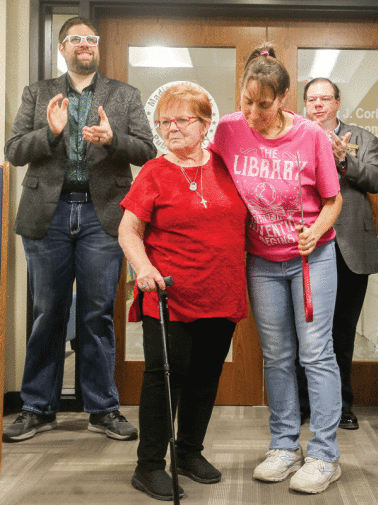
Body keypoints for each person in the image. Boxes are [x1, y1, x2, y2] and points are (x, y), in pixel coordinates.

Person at [4, 16, 156, 442]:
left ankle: (102, 409)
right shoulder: (37, 94)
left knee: (97, 314)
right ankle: (37, 407)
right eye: (76, 39)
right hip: (47, 216)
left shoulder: (123, 95)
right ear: (62, 48)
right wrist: (49, 134)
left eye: (91, 39)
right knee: (47, 312)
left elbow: (147, 150)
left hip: (102, 215)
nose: (84, 44)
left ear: (97, 47)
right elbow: (14, 150)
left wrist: (112, 141)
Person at [210, 44, 343, 494]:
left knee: (315, 353)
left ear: (283, 98)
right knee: (278, 356)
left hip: (312, 258)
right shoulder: (228, 130)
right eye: (246, 102)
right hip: (262, 262)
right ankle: (284, 446)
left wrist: (315, 231)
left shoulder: (311, 136)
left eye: (263, 105)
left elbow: (333, 199)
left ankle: (324, 455)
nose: (252, 113)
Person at [118, 83, 248, 501]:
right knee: (164, 380)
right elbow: (129, 230)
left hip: (221, 291)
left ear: (205, 124)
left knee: (205, 378)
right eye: (164, 122)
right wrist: (144, 268)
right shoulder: (155, 172)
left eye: (181, 120)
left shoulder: (226, 166)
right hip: (169, 296)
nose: (171, 128)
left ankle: (189, 453)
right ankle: (149, 465)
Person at [297, 78, 378, 430]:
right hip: (307, 244)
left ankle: (342, 407)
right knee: (307, 331)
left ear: (336, 102)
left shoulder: (363, 139)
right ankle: (306, 405)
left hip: (349, 248)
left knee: (342, 332)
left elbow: (376, 181)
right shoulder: (296, 136)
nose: (317, 105)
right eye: (311, 99)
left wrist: (344, 160)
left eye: (324, 98)